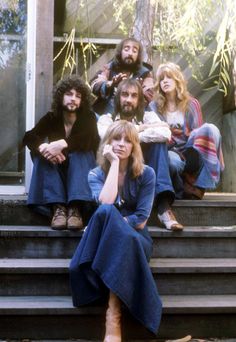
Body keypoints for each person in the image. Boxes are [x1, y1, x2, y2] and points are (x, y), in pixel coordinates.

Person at [70, 120, 162, 340]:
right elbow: (106, 202)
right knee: (105, 213)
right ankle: (114, 312)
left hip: (137, 239)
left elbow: (140, 220)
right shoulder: (95, 174)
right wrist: (113, 165)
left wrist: (112, 223)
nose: (121, 144)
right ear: (107, 143)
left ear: (134, 147)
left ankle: (113, 314)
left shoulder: (147, 174)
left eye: (127, 141)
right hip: (106, 240)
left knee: (114, 226)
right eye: (116, 139)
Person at [97, 78, 183, 231]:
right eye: (125, 95)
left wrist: (132, 133)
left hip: (142, 168)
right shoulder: (106, 119)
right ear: (118, 98)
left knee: (158, 144)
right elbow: (106, 135)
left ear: (139, 100)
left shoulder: (148, 116)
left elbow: (164, 132)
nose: (128, 99)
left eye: (133, 95)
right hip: (116, 170)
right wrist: (140, 129)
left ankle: (163, 206)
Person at [23, 75, 100, 230]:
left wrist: (61, 144)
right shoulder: (52, 117)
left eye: (78, 96)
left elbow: (89, 139)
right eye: (69, 94)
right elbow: (28, 137)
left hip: (81, 175)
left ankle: (75, 209)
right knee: (43, 155)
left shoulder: (88, 117)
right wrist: (44, 148)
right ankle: (59, 209)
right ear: (60, 96)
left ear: (82, 100)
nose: (73, 99)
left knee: (81, 153)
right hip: (57, 174)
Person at [149, 62, 224, 199]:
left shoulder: (191, 104)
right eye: (161, 79)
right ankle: (179, 189)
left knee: (211, 129)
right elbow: (155, 133)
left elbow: (199, 135)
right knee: (172, 162)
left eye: (169, 77)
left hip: (191, 150)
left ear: (177, 80)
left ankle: (201, 184)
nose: (165, 81)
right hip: (169, 150)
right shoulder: (154, 106)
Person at [90, 37, 154, 115]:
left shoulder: (145, 73)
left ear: (138, 56)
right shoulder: (109, 68)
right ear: (120, 52)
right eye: (126, 49)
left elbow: (148, 96)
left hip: (133, 117)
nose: (130, 53)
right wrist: (110, 84)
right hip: (106, 115)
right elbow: (94, 85)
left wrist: (136, 90)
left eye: (134, 51)